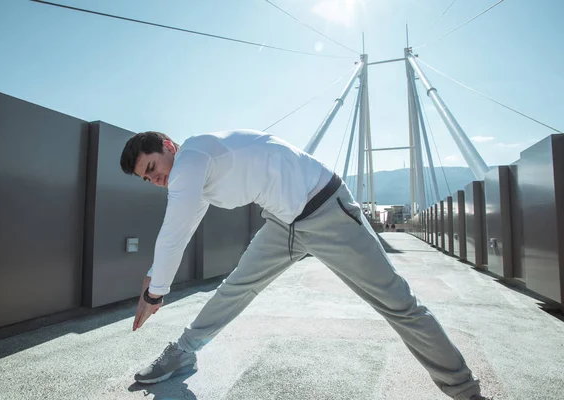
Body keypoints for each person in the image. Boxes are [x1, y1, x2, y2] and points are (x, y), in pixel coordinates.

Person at [119, 129, 487, 399]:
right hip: (284, 222)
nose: (155, 179)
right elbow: (180, 230)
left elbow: (173, 229)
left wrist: (155, 293)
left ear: (168, 146)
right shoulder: (195, 176)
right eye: (147, 178)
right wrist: (156, 282)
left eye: (153, 167)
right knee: (236, 287)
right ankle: (183, 353)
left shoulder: (191, 157)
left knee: (398, 304)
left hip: (327, 211)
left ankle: (465, 391)